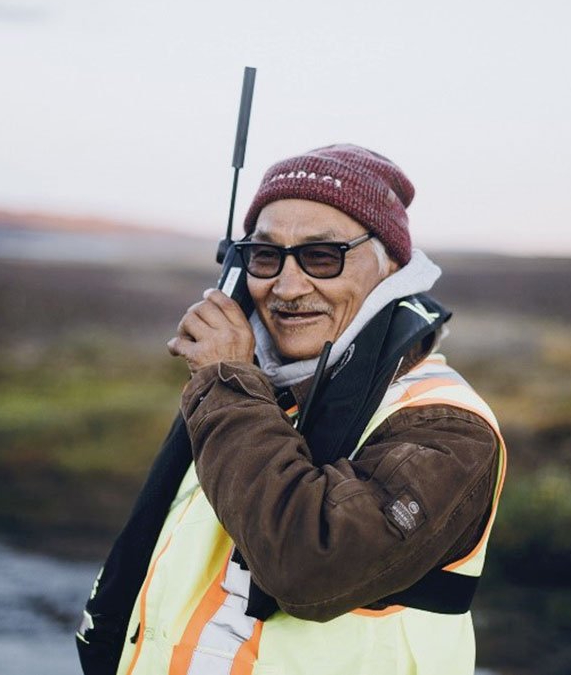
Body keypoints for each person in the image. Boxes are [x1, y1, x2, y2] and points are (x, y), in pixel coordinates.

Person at [80, 144, 506, 675]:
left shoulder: (445, 425)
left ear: (392, 265)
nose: (287, 286)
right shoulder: (250, 396)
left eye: (322, 256)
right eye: (265, 256)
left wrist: (224, 382)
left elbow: (311, 567)